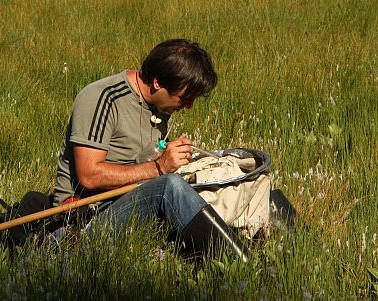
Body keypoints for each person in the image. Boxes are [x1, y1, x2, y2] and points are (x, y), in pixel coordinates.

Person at [53, 39, 250, 260]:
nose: (188, 106)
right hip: (84, 220)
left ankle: (272, 239)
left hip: (130, 203)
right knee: (169, 186)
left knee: (238, 173)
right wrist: (159, 167)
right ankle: (236, 264)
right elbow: (89, 176)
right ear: (157, 83)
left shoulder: (157, 105)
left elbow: (142, 161)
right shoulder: (102, 98)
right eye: (184, 98)